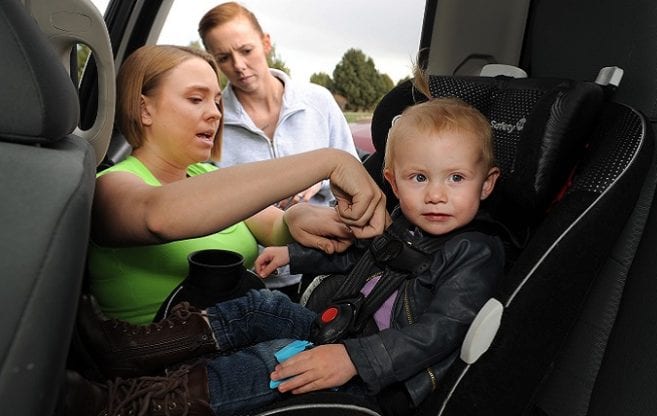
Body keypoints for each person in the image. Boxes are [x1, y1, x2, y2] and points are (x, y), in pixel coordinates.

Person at [68, 86, 505, 416]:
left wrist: (355, 358)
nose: (437, 196)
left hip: (379, 376)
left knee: (274, 362)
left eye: (456, 179)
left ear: (486, 184)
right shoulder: (400, 224)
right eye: (420, 179)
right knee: (259, 305)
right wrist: (295, 256)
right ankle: (125, 351)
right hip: (341, 331)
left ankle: (127, 404)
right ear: (391, 181)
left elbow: (441, 330)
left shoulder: (475, 251)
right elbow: (359, 259)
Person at [86, 44, 386, 325]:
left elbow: (275, 226)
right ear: (144, 109)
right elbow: (158, 216)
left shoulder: (206, 174)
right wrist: (327, 161)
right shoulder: (109, 185)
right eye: (195, 99)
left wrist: (298, 217)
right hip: (165, 372)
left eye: (217, 101)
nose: (215, 112)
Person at [197, 2, 362, 298]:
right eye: (223, 57)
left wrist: (317, 178)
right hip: (254, 280)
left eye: (246, 50)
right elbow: (212, 203)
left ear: (266, 42)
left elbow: (353, 178)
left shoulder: (318, 101)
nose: (238, 65)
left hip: (327, 267)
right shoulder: (212, 122)